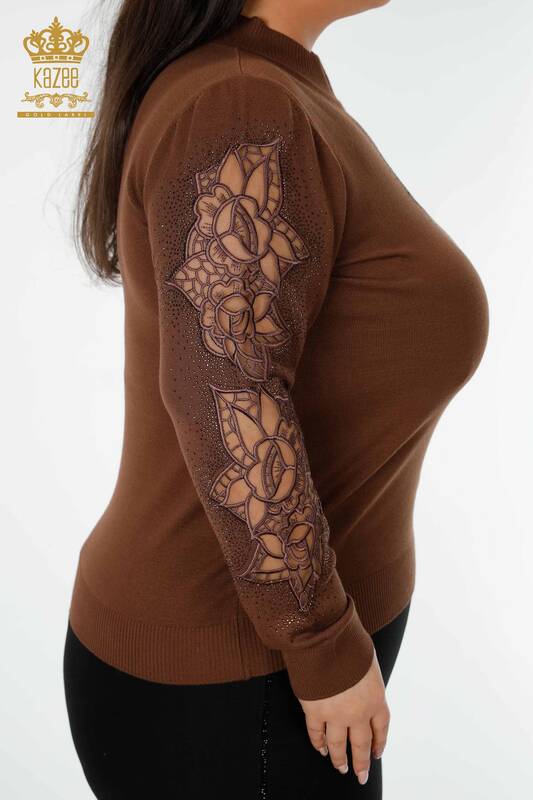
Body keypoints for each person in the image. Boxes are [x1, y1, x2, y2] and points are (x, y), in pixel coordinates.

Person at [63, 1, 490, 798]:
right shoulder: (239, 104)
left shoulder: (263, 88)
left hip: (262, 679)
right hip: (234, 685)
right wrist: (321, 641)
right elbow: (225, 392)